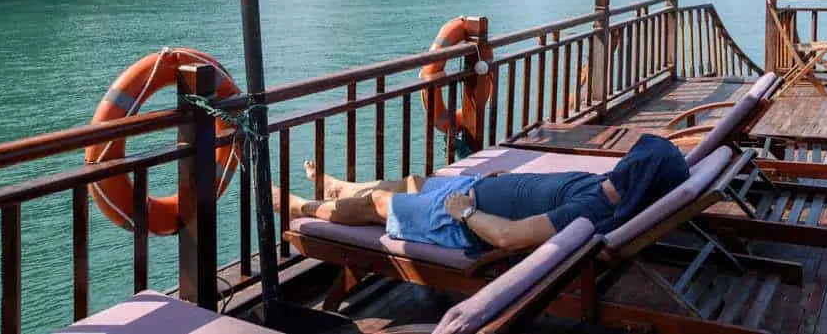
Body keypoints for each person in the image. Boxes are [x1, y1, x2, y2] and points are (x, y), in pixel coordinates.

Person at [275, 133, 690, 254]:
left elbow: (512, 237)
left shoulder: (589, 212)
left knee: (378, 204)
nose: (625, 162)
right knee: (411, 182)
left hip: (460, 221)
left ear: (636, 178)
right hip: (475, 189)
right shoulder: (604, 188)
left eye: (633, 163)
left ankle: (300, 206)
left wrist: (466, 214)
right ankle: (336, 186)